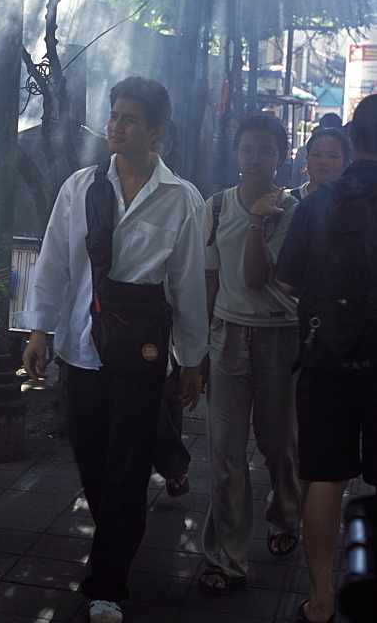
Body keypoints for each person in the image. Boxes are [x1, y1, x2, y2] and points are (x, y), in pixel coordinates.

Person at [19, 77, 208, 623]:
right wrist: (38, 330)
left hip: (143, 355)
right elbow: (54, 263)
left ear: (155, 133)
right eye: (114, 115)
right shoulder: (81, 188)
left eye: (129, 119)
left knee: (126, 467)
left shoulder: (180, 199)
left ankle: (107, 582)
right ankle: (114, 541)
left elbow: (188, 285)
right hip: (82, 347)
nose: (116, 125)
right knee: (91, 456)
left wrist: (191, 361)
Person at [276, 94, 377, 623]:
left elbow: (288, 280)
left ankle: (320, 601)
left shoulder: (317, 202)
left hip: (326, 359)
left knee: (325, 479)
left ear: (353, 140)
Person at [199, 114, 301, 595]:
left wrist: (259, 219)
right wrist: (199, 346)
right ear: (235, 154)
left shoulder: (293, 210)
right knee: (225, 451)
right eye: (247, 149)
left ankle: (284, 518)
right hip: (228, 335)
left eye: (265, 150)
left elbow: (259, 276)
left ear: (282, 155)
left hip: (281, 336)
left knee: (279, 444)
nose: (255, 158)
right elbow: (210, 279)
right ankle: (226, 557)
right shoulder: (216, 207)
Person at [151, 120, 203, 499]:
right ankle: (172, 465)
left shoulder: (185, 196)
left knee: (165, 397)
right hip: (116, 319)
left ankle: (172, 466)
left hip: (166, 316)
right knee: (153, 399)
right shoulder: (97, 188)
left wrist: (192, 352)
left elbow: (192, 273)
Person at [288, 127, 351, 201]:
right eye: (316, 155)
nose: (323, 161)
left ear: (345, 165)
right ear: (307, 159)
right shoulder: (288, 201)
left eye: (332, 156)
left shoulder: (352, 204)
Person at [211, 112, 242, 191]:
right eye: (228, 126)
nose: (231, 130)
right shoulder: (219, 146)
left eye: (235, 127)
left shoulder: (242, 148)